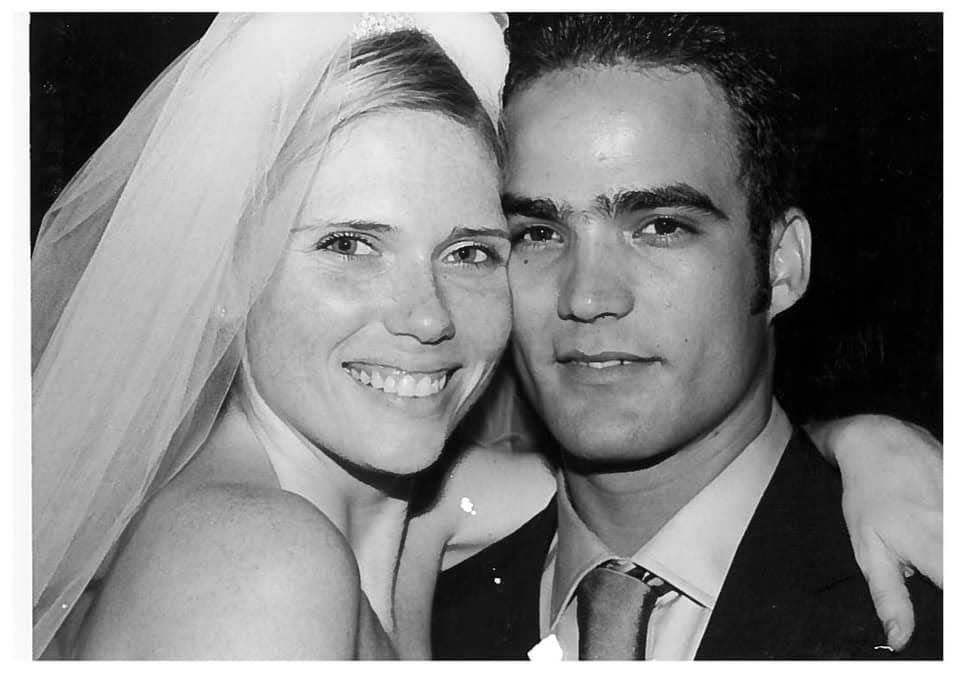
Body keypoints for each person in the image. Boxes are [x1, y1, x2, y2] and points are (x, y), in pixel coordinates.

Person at [32, 12, 941, 661]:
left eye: (471, 250)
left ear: (780, 265)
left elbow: (670, 478)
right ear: (226, 270)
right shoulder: (255, 562)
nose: (427, 317)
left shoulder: (430, 517)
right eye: (349, 245)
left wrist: (854, 440)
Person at [429, 13, 942, 660]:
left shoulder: (927, 600)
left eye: (661, 227)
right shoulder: (428, 621)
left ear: (781, 265)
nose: (587, 297)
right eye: (538, 233)